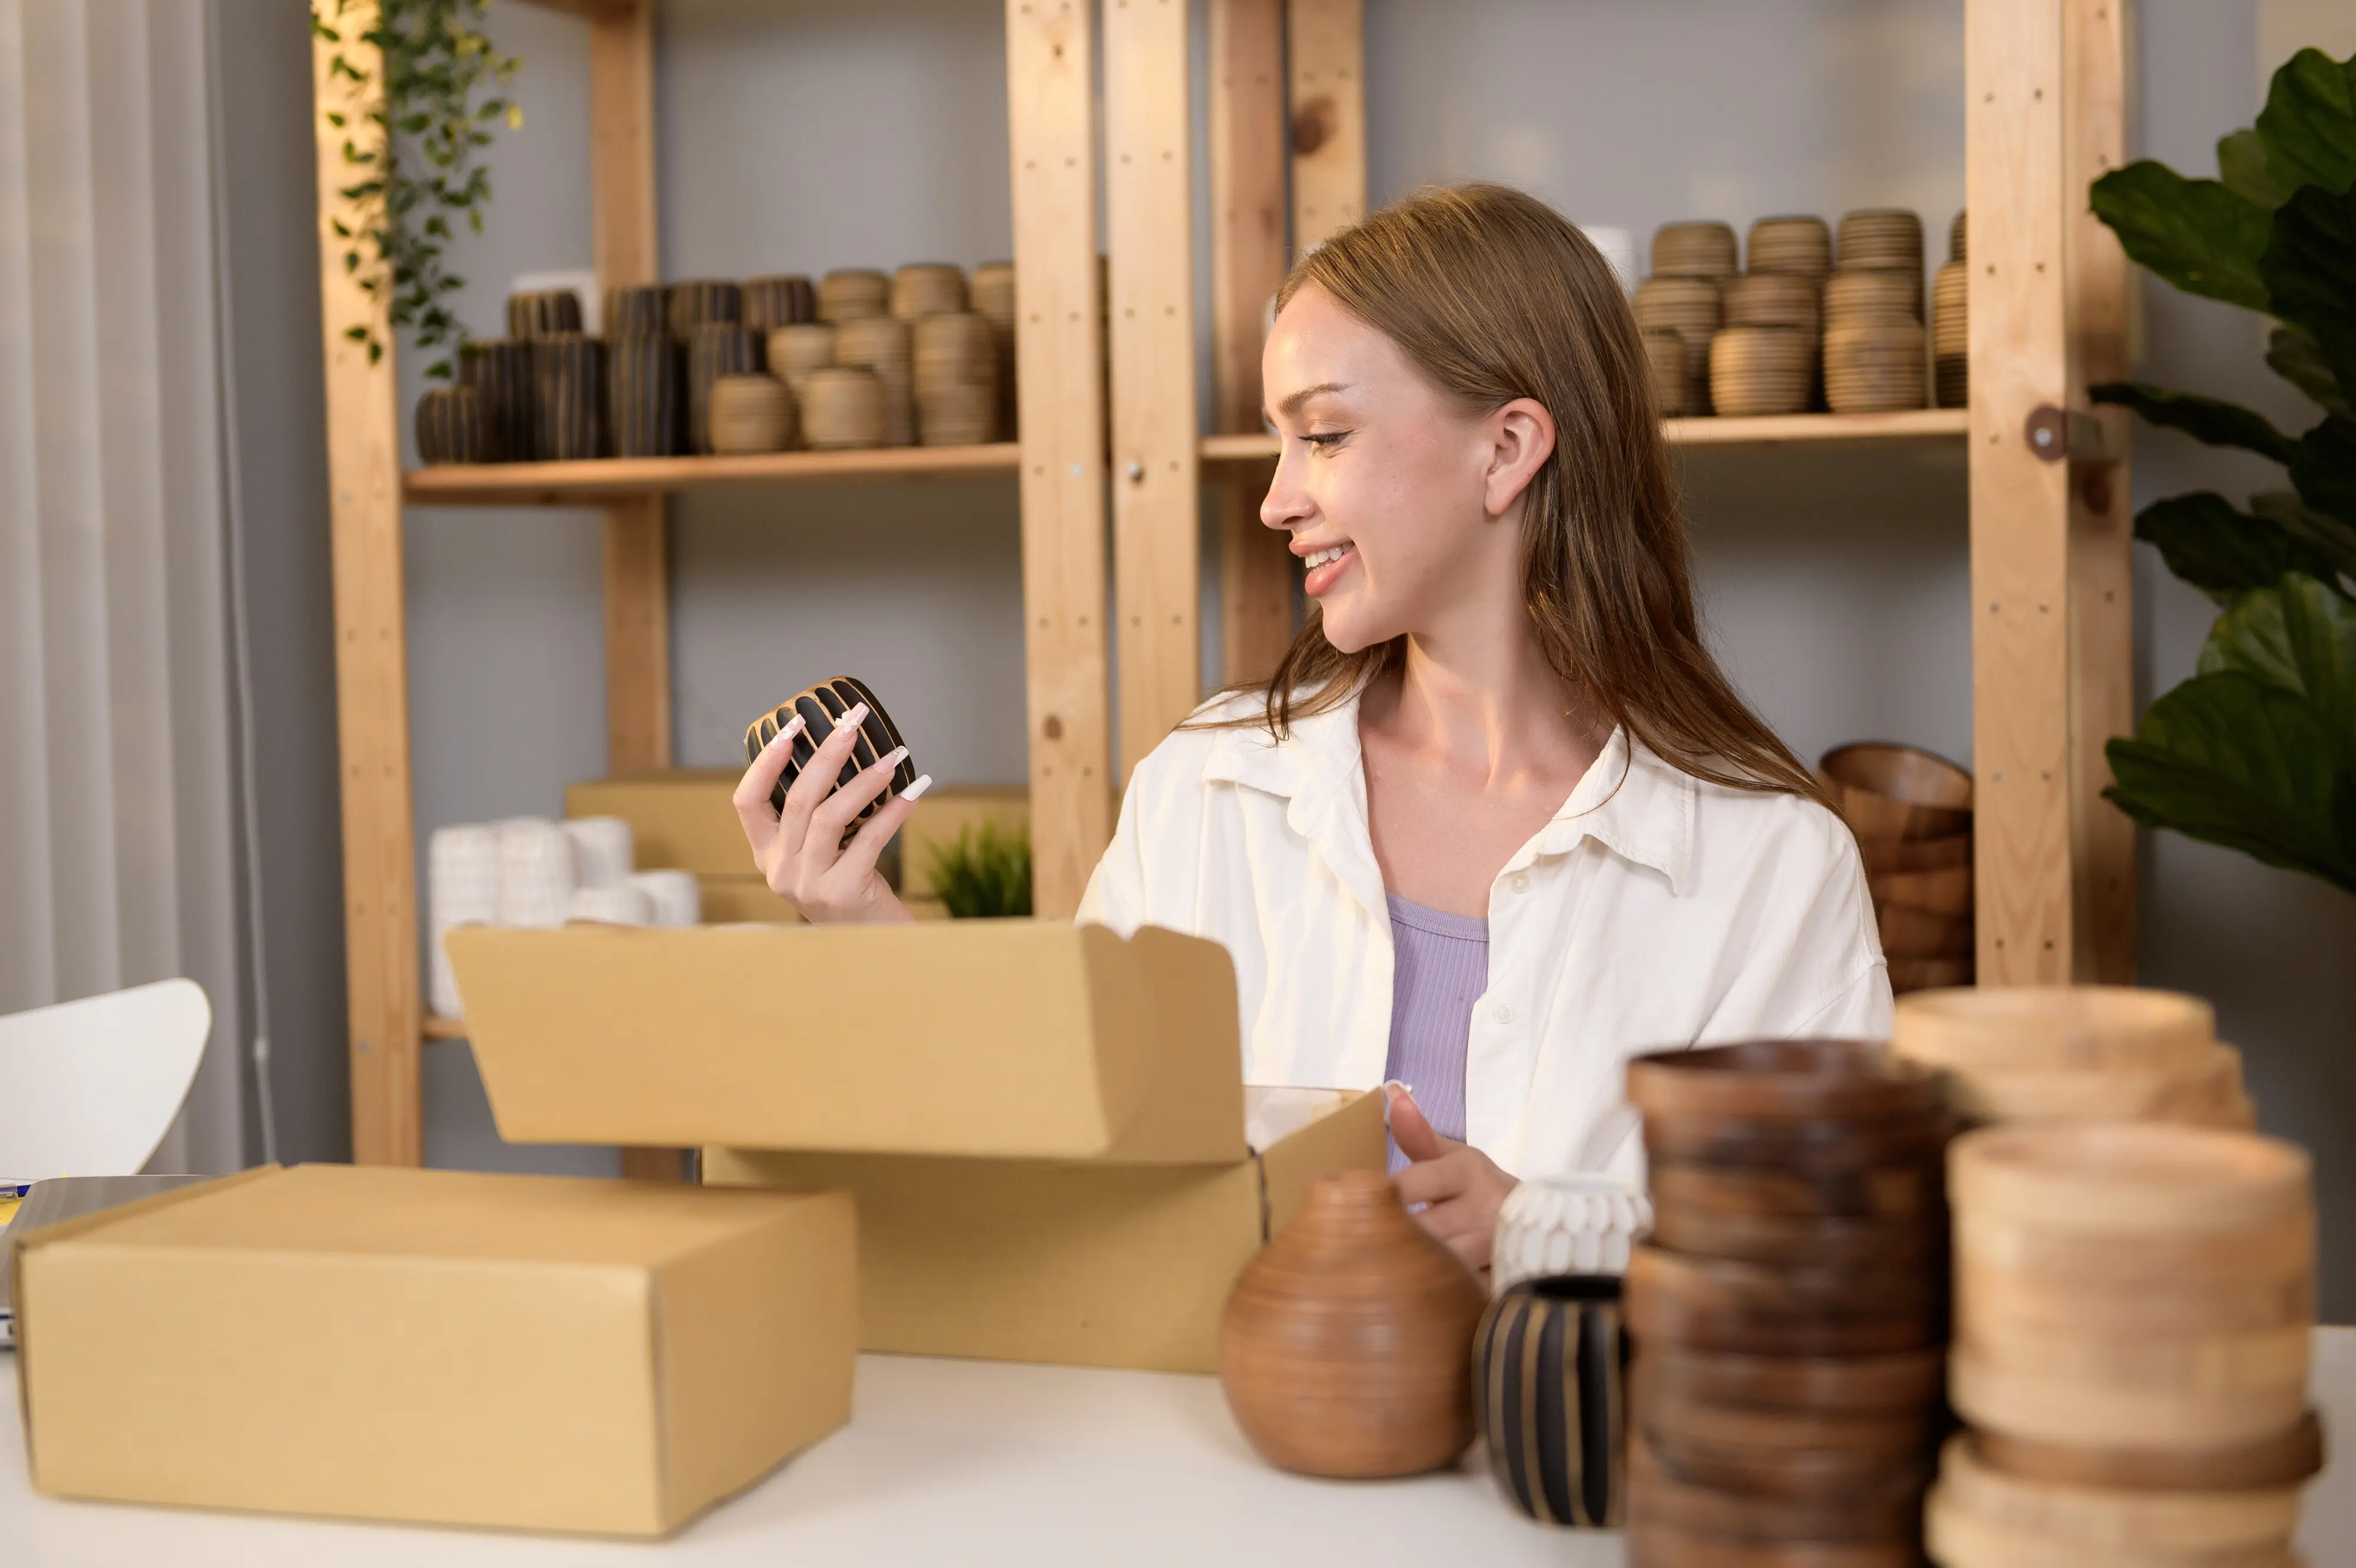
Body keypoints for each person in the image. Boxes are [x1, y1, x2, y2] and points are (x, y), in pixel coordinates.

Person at [733, 183, 1890, 1271]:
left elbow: (1828, 1257)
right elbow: (1072, 1150)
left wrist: (1552, 1228)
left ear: (1506, 449)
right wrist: (860, 918)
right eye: (1277, 440)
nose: (1276, 498)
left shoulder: (1770, 864)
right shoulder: (1207, 791)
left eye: (1324, 436)